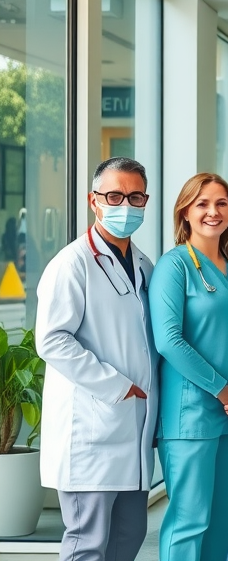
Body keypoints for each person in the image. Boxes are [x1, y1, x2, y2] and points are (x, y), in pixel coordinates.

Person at [36, 157, 157, 561]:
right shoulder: (71, 264)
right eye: (115, 195)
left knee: (128, 539)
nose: (126, 204)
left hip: (132, 431)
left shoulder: (143, 264)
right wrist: (117, 387)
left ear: (145, 201)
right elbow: (52, 340)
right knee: (88, 543)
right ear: (94, 200)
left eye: (134, 196)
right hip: (92, 429)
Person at [150, 173, 228, 561]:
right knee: (189, 519)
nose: (213, 212)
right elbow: (168, 340)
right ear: (185, 211)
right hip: (190, 414)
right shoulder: (174, 266)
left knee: (223, 519)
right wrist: (221, 388)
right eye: (202, 204)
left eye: (221, 203)